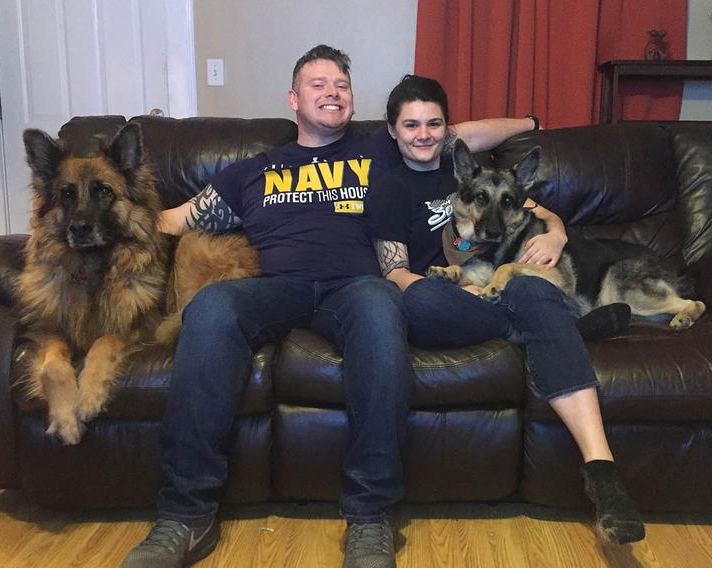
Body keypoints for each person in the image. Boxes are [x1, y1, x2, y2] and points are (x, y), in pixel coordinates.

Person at [120, 46, 539, 568]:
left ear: (352, 100)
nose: (331, 91)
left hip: (355, 285)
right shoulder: (254, 169)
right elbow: (171, 219)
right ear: (293, 99)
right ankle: (186, 514)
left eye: (340, 83)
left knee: (384, 309)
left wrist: (529, 122)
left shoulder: (377, 149)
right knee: (209, 309)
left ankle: (369, 516)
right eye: (317, 84)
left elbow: (461, 136)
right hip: (278, 286)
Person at [365, 75, 645, 545]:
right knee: (420, 298)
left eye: (434, 123)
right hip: (449, 297)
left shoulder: (476, 175)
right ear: (393, 131)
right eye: (411, 124)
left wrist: (556, 233)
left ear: (447, 128)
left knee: (533, 290)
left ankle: (603, 474)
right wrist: (460, 294)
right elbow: (395, 274)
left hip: (506, 280)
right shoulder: (390, 188)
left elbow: (534, 210)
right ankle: (567, 327)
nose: (423, 134)